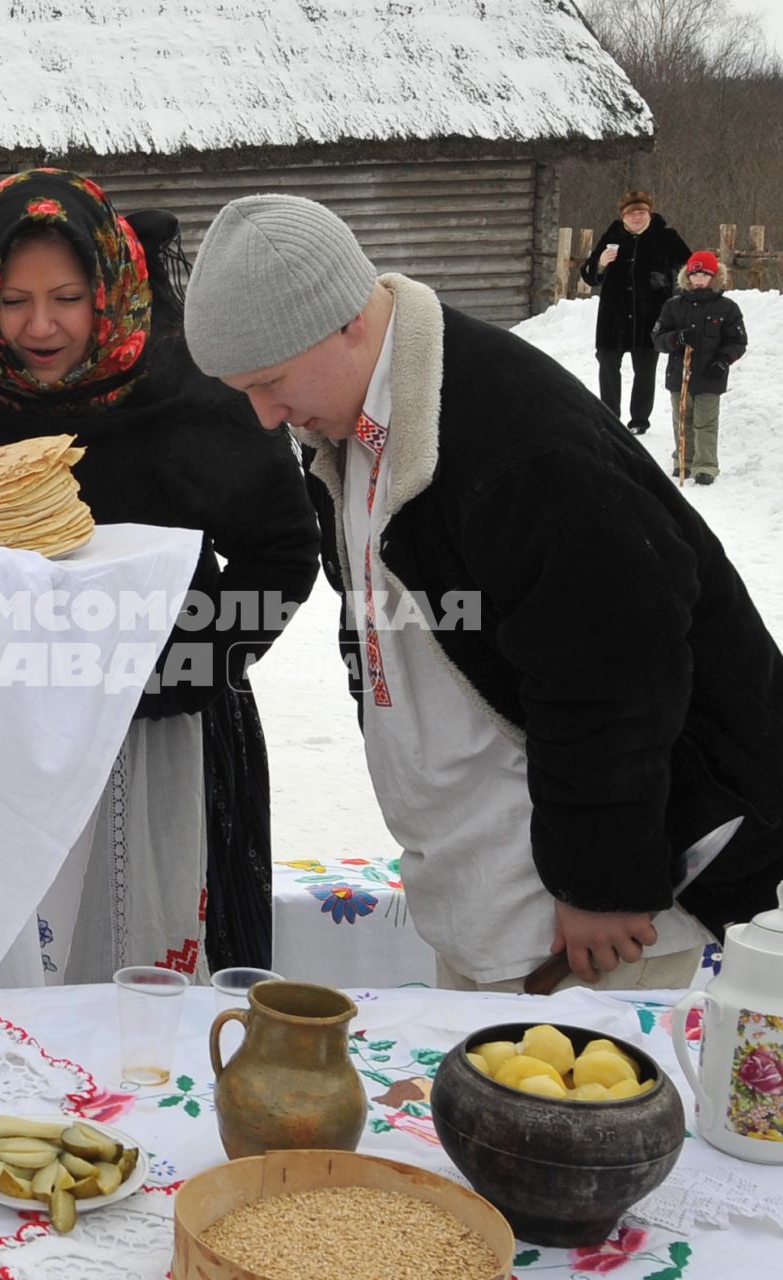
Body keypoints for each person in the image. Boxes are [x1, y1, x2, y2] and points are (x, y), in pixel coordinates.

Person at [182, 193, 783, 992]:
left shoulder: (512, 443)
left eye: (269, 382)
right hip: (484, 882)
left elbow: (616, 667)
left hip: (596, 917)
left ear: (346, 322)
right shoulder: (349, 421)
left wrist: (601, 883)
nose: (262, 416)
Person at [0, 169, 320, 979]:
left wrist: (171, 668)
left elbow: (279, 555)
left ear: (108, 283)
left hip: (160, 741)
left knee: (150, 981)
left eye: (67, 297)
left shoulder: (194, 389)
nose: (40, 326)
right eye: (13, 300)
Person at [580, 190, 690, 434]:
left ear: (649, 213)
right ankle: (610, 417)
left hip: (651, 314)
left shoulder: (666, 237)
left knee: (645, 368)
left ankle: (639, 420)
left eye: (641, 212)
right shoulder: (612, 237)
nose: (637, 217)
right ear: (623, 217)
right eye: (631, 214)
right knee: (608, 364)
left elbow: (688, 267)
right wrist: (600, 263)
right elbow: (589, 276)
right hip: (613, 316)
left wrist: (666, 281)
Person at [652, 249, 748, 485]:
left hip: (710, 375)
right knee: (682, 419)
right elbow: (657, 338)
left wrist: (723, 360)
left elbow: (737, 341)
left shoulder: (727, 308)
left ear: (714, 277)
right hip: (679, 374)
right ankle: (683, 461)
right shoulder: (673, 306)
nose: (699, 280)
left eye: (704, 275)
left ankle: (705, 465)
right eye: (694, 275)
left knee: (705, 421)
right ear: (687, 276)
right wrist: (677, 339)